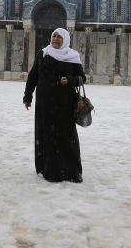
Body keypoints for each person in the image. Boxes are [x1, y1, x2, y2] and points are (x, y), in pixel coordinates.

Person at [23, 28, 86, 183]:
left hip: (65, 104)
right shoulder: (43, 54)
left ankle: (71, 172)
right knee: (48, 135)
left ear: (65, 40)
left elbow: (82, 78)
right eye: (54, 36)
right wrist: (28, 95)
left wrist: (70, 80)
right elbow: (33, 76)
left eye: (59, 37)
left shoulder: (73, 57)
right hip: (45, 103)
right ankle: (50, 170)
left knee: (66, 136)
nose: (56, 39)